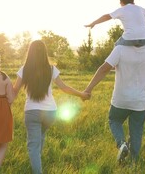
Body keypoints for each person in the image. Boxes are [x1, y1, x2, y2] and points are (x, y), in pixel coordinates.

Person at [13, 40, 90, 174]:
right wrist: (81, 94)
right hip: (50, 113)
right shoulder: (51, 69)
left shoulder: (24, 69)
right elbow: (64, 88)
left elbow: (14, 91)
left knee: (33, 145)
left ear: (30, 53)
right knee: (40, 138)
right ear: (44, 52)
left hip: (32, 112)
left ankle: (37, 169)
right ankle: (37, 162)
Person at [84, 43, 145, 166]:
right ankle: (133, 163)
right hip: (141, 101)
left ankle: (121, 144)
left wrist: (88, 89)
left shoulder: (120, 49)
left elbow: (104, 68)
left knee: (114, 120)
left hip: (121, 99)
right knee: (136, 131)